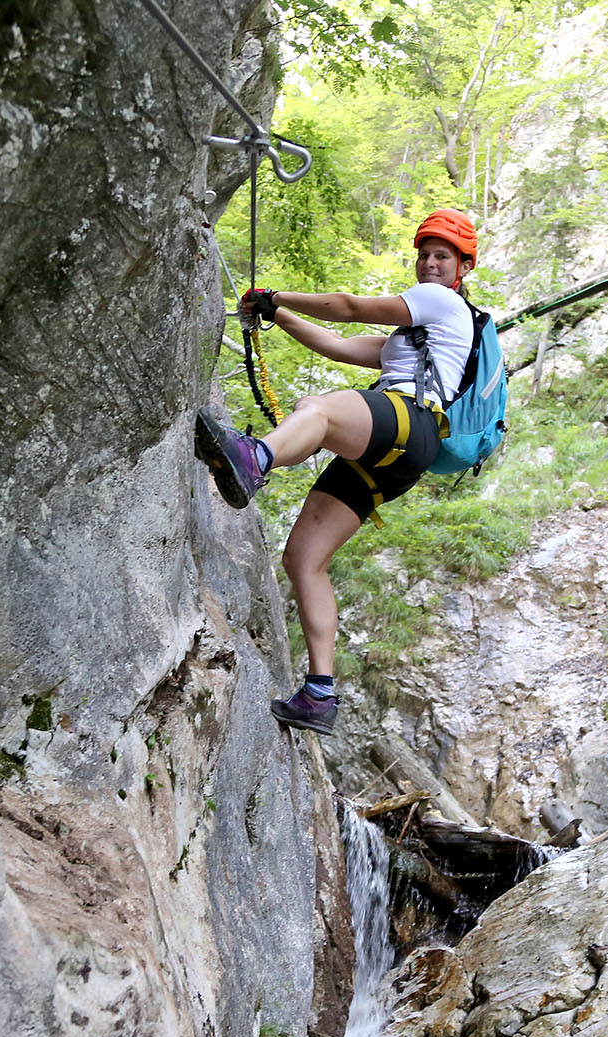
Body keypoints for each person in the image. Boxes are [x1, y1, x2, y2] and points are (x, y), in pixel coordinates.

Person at [195, 209, 481, 737]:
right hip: (401, 459)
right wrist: (274, 314)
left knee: (321, 409)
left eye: (442, 255)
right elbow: (339, 344)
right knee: (304, 558)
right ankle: (319, 694)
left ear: (463, 266)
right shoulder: (416, 340)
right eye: (424, 254)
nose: (429, 263)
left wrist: (277, 295)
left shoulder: (441, 302)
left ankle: (254, 458)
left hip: (409, 422)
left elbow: (348, 309)